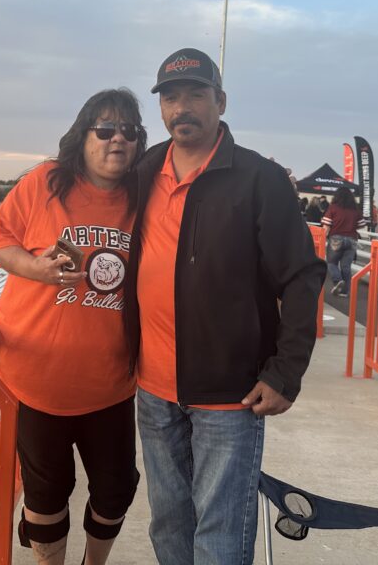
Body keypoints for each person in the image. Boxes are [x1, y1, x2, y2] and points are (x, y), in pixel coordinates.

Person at [123, 48, 325, 565]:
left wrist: (286, 372)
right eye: (170, 97)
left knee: (219, 536)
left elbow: (302, 275)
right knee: (168, 525)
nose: (181, 107)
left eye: (195, 94)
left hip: (230, 395)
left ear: (221, 101)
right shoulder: (145, 171)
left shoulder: (259, 178)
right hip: (154, 388)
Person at [0, 88, 147, 565]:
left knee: (116, 490)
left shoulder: (142, 196)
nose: (119, 140)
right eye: (106, 129)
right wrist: (38, 270)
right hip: (36, 379)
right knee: (47, 494)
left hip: (112, 383)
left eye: (130, 131)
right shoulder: (46, 181)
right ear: (83, 134)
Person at [322, 187, 366, 296]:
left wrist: (323, 237)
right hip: (351, 240)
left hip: (336, 238)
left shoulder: (333, 208)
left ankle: (338, 281)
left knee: (331, 263)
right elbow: (362, 225)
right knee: (346, 266)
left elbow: (326, 226)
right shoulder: (355, 210)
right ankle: (345, 291)